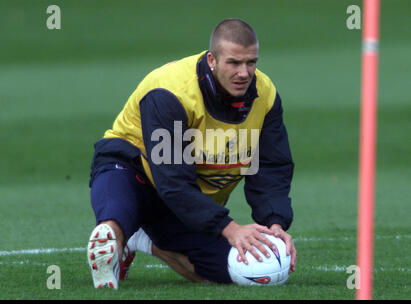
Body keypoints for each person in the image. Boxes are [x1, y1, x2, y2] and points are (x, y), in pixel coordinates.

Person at [87, 18, 297, 289]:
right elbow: (172, 181)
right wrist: (230, 228)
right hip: (134, 170)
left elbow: (272, 166)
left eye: (251, 62)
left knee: (238, 273)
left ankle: (142, 238)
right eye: (233, 62)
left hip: (188, 201)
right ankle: (116, 234)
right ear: (212, 60)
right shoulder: (170, 92)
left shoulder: (265, 95)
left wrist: (275, 224)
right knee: (117, 209)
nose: (244, 73)